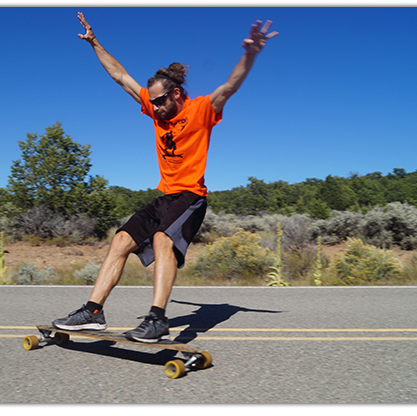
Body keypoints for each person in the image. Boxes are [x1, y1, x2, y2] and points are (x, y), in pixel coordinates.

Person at [52, 12, 278, 343]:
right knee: (120, 241)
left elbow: (230, 85)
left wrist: (251, 53)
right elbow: (120, 76)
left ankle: (157, 319)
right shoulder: (154, 106)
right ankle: (92, 312)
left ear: (175, 94)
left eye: (159, 101)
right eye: (151, 102)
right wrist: (95, 42)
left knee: (162, 241)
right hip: (165, 196)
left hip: (191, 196)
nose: (153, 108)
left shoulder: (201, 110)